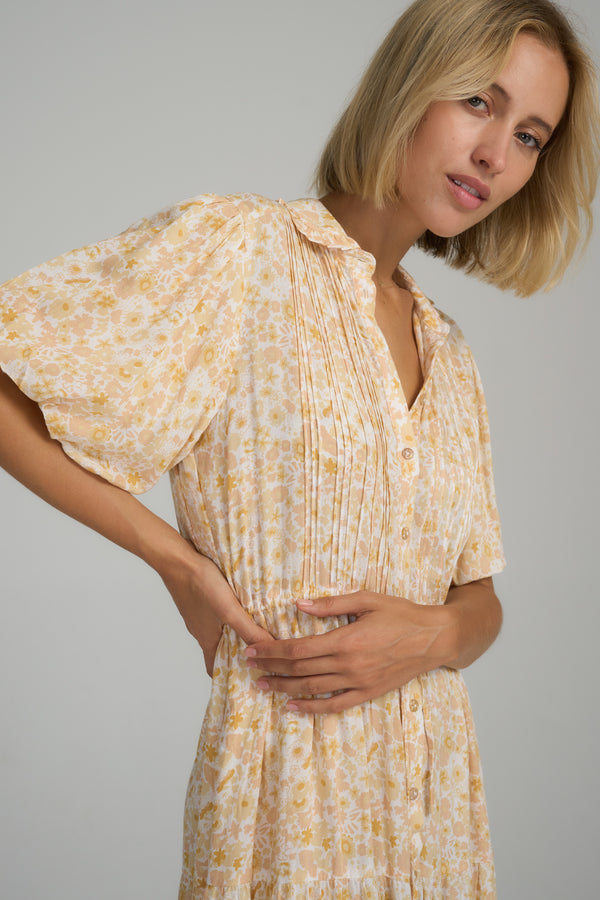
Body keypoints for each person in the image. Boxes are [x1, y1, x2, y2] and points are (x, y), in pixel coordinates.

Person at [0, 0, 598, 897]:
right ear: (411, 84)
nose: (495, 154)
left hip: (433, 806)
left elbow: (478, 599)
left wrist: (434, 634)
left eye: (531, 135)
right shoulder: (242, 253)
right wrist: (180, 565)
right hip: (284, 786)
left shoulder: (452, 354)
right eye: (479, 101)